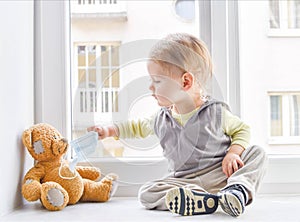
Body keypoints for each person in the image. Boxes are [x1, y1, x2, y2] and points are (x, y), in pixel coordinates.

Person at [87, 33, 267, 217]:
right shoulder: (161, 118)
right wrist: (109, 130)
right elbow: (137, 127)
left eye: (157, 81)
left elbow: (242, 129)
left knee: (256, 153)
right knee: (148, 193)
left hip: (220, 173)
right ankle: (203, 201)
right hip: (184, 182)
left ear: (185, 82)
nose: (151, 87)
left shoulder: (215, 112)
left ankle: (237, 191)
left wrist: (233, 153)